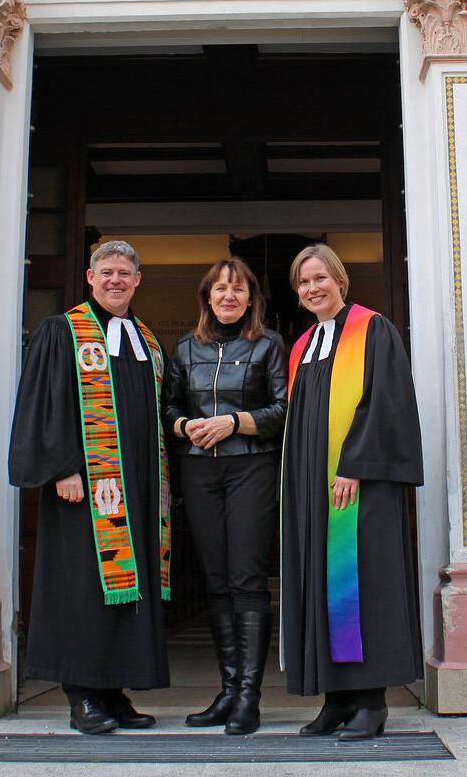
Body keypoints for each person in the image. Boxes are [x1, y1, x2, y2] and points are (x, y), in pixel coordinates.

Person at [8, 240, 170, 735]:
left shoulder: (146, 339)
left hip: (137, 490)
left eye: (125, 272)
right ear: (90, 276)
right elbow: (42, 403)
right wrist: (62, 468)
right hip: (84, 488)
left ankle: (114, 691)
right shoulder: (63, 330)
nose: (116, 280)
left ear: (138, 280)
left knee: (126, 591)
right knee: (84, 590)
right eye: (107, 272)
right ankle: (82, 695)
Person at [280, 244, 423, 741]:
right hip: (314, 489)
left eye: (320, 277)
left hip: (358, 487)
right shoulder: (302, 347)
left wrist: (353, 467)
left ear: (340, 280)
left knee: (363, 584)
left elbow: (385, 403)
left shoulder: (373, 330)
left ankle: (370, 701)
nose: (313, 288)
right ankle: (335, 699)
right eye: (303, 282)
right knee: (322, 583)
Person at [164, 257, 287, 735]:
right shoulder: (185, 348)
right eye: (220, 289)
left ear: (252, 298)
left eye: (238, 290)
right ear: (207, 297)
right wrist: (184, 425)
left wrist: (234, 422)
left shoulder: (268, 344)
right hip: (199, 470)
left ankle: (248, 697)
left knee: (246, 578)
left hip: (252, 466)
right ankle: (228, 689)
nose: (229, 297)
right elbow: (169, 407)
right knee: (216, 580)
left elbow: (283, 406)